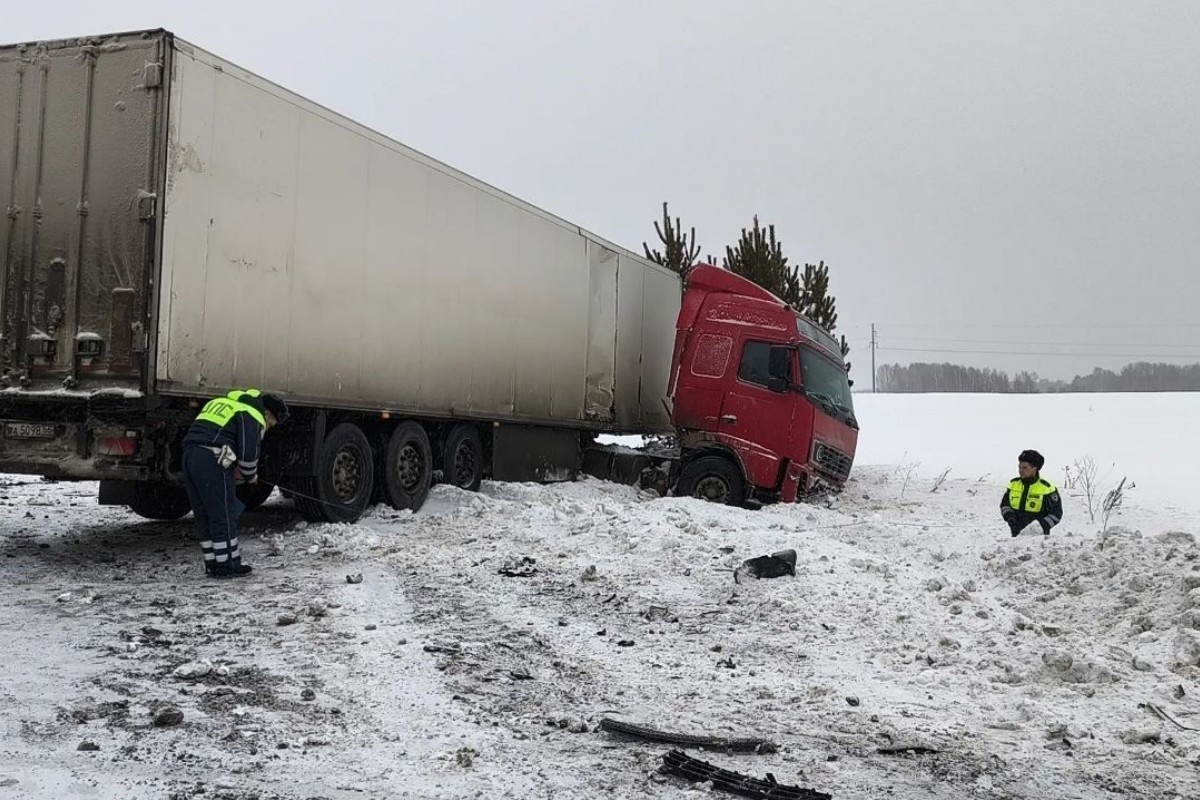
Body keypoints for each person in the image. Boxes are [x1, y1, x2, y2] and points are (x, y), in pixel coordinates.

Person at [182, 389, 289, 578]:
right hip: (212, 458)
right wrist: (250, 476)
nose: (268, 427)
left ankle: (212, 563)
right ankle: (227, 565)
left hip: (189, 455)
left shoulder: (224, 403)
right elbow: (248, 456)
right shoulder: (252, 414)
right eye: (270, 424)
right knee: (224, 512)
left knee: (204, 513)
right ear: (267, 414)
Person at [1001, 449, 1063, 537]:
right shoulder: (1013, 485)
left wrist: (1041, 526)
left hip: (1038, 540)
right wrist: (1010, 517)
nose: (1021, 470)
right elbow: (1005, 505)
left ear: (1035, 468)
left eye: (1025, 468)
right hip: (1016, 538)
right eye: (1019, 467)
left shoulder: (1047, 488)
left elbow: (1057, 513)